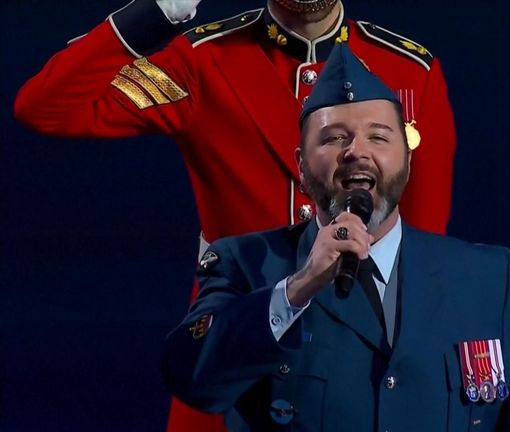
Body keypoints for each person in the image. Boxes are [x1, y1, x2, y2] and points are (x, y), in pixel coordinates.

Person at [14, 0, 456, 429]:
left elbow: (421, 255)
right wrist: (156, 11)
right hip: (232, 354)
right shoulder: (204, 62)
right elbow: (46, 108)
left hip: (361, 366)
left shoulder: (409, 70)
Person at [162, 42, 510, 432]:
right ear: (301, 166)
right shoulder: (247, 263)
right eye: (333, 138)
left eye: (378, 137)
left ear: (407, 161)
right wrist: (299, 287)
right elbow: (189, 376)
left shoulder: (489, 278)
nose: (356, 151)